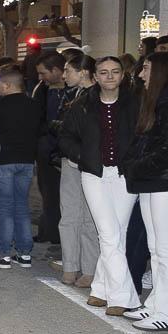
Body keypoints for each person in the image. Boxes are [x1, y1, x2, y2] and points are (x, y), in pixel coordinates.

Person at [58, 56, 139, 316]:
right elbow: (65, 136)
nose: (110, 76)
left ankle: (101, 288)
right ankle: (123, 296)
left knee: (117, 233)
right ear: (95, 76)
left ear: (122, 75)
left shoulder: (135, 103)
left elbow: (144, 135)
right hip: (94, 175)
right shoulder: (83, 104)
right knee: (108, 233)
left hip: (125, 175)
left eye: (115, 71)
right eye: (104, 72)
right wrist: (82, 156)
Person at [121, 52, 168, 330]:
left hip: (165, 183)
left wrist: (136, 167)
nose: (141, 74)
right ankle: (156, 304)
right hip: (151, 181)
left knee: (166, 249)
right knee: (156, 248)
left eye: (146, 69)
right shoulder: (156, 101)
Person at [0, 68, 44, 268]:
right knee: (21, 205)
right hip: (26, 161)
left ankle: (2, 253)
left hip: (0, 161)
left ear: (7, 85)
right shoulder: (34, 105)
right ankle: (24, 252)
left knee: (3, 208)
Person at [56, 53, 100, 287]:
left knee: (88, 217)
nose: (64, 75)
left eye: (68, 70)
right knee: (70, 215)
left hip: (90, 163)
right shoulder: (73, 95)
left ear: (83, 72)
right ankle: (70, 266)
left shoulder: (96, 97)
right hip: (71, 160)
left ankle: (89, 269)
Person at [32, 52, 67, 247]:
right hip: (46, 151)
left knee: (60, 194)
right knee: (48, 192)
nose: (40, 77)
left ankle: (57, 233)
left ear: (56, 70)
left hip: (64, 151)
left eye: (43, 73)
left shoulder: (72, 91)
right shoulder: (43, 90)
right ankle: (49, 230)